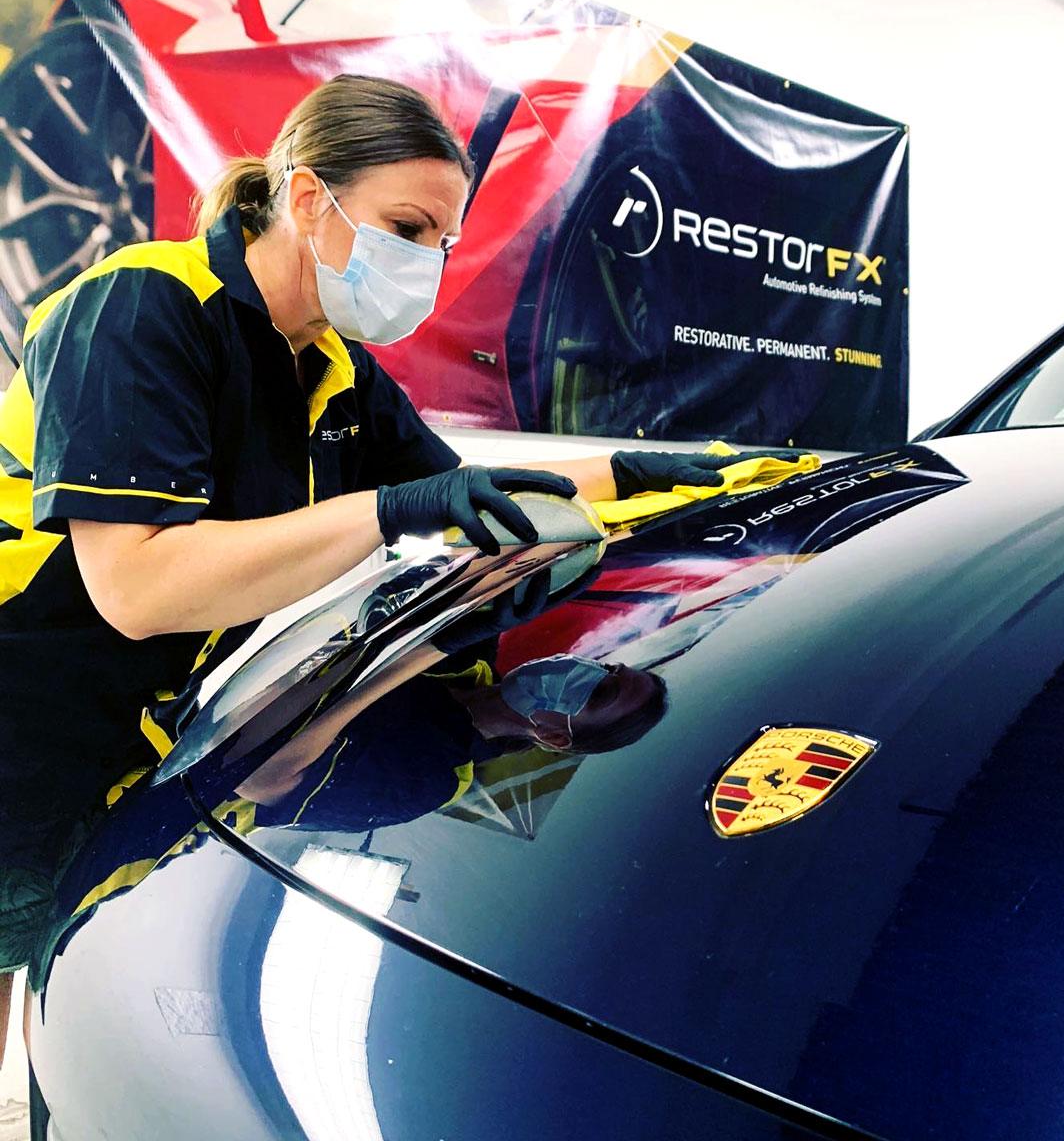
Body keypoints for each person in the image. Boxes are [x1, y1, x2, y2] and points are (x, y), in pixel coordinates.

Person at [0, 73, 771, 976]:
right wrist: (378, 513)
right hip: (21, 704)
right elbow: (139, 588)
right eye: (407, 229)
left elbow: (466, 489)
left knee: (46, 973)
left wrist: (636, 473)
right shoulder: (141, 308)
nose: (427, 263)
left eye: (441, 241)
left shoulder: (334, 371)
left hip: (128, 737)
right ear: (304, 198)